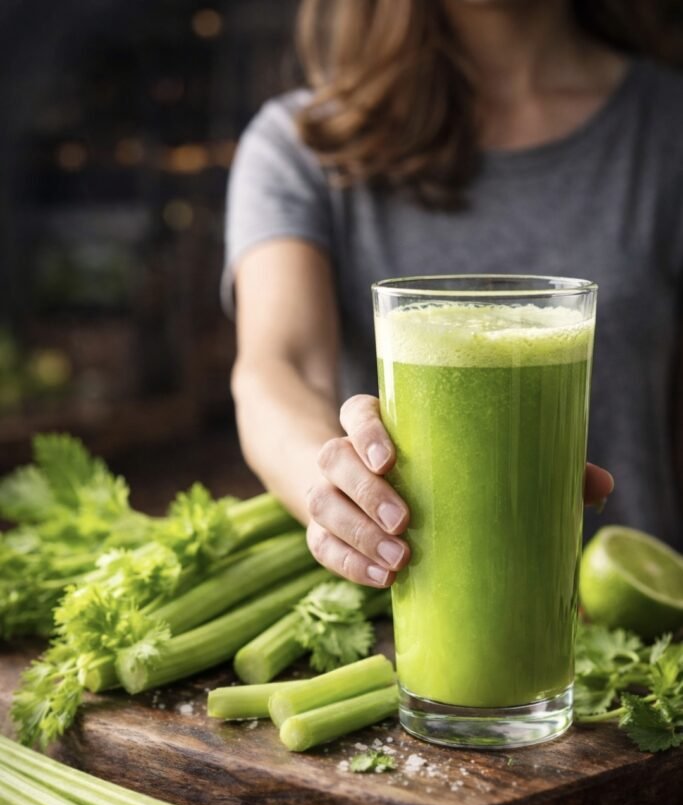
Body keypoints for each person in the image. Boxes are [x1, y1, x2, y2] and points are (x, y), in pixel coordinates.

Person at [223, 0, 683, 588]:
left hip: (642, 621)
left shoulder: (667, 129)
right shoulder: (301, 146)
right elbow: (278, 368)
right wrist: (337, 485)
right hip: (411, 622)